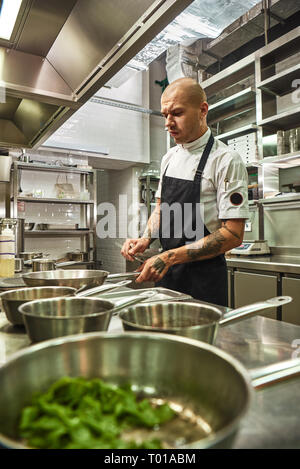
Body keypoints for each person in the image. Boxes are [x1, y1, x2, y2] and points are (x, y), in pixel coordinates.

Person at [121, 77, 250, 306]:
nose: (168, 123)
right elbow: (161, 209)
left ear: (202, 110)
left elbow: (233, 234)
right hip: (167, 276)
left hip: (204, 280)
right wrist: (145, 238)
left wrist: (170, 257)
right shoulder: (169, 158)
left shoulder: (226, 160)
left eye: (177, 113)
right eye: (165, 115)